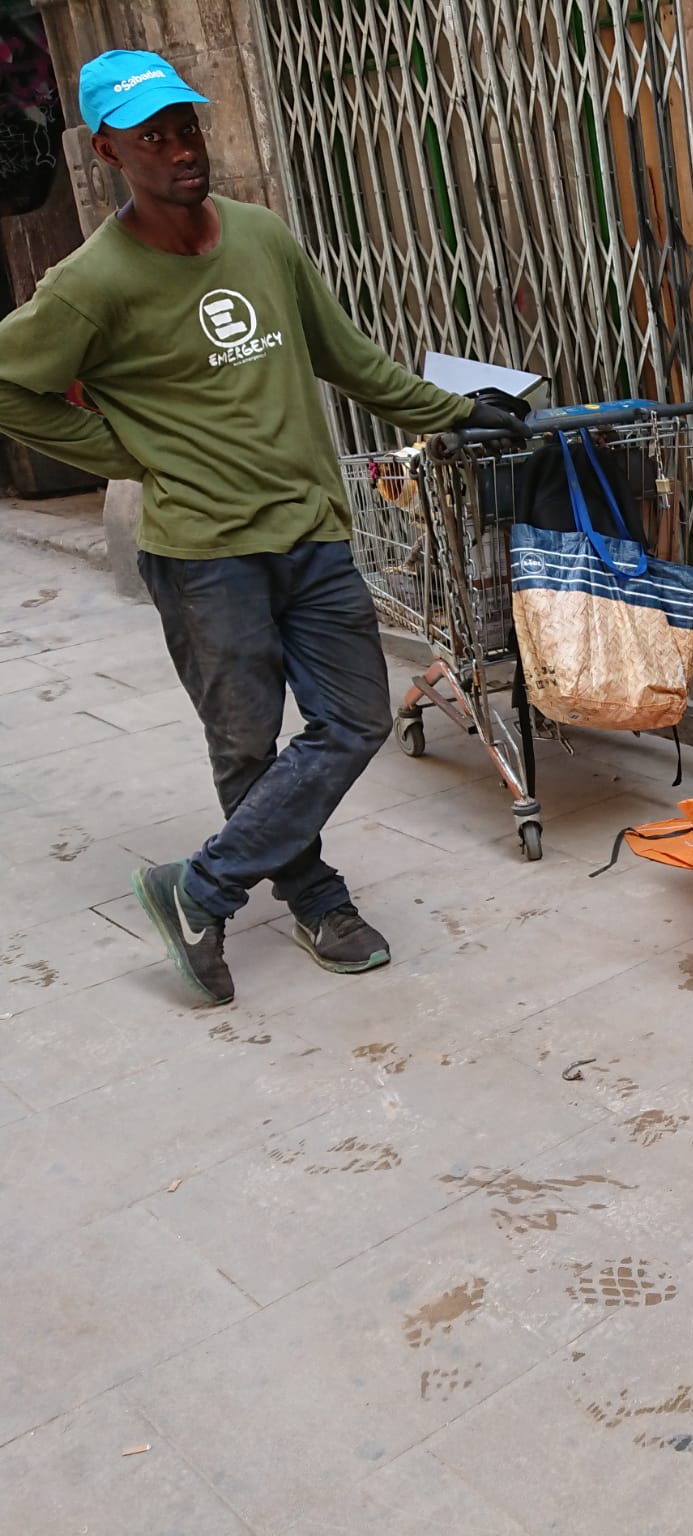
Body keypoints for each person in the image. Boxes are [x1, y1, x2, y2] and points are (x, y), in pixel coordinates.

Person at [0, 50, 526, 1006]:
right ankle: (317, 897)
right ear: (110, 151)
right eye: (151, 136)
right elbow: (9, 387)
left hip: (311, 531)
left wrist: (450, 410)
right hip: (203, 555)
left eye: (186, 127)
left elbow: (346, 355)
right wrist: (129, 452)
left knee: (356, 717)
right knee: (245, 745)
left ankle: (198, 889)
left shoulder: (260, 235)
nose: (178, 150)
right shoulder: (91, 283)